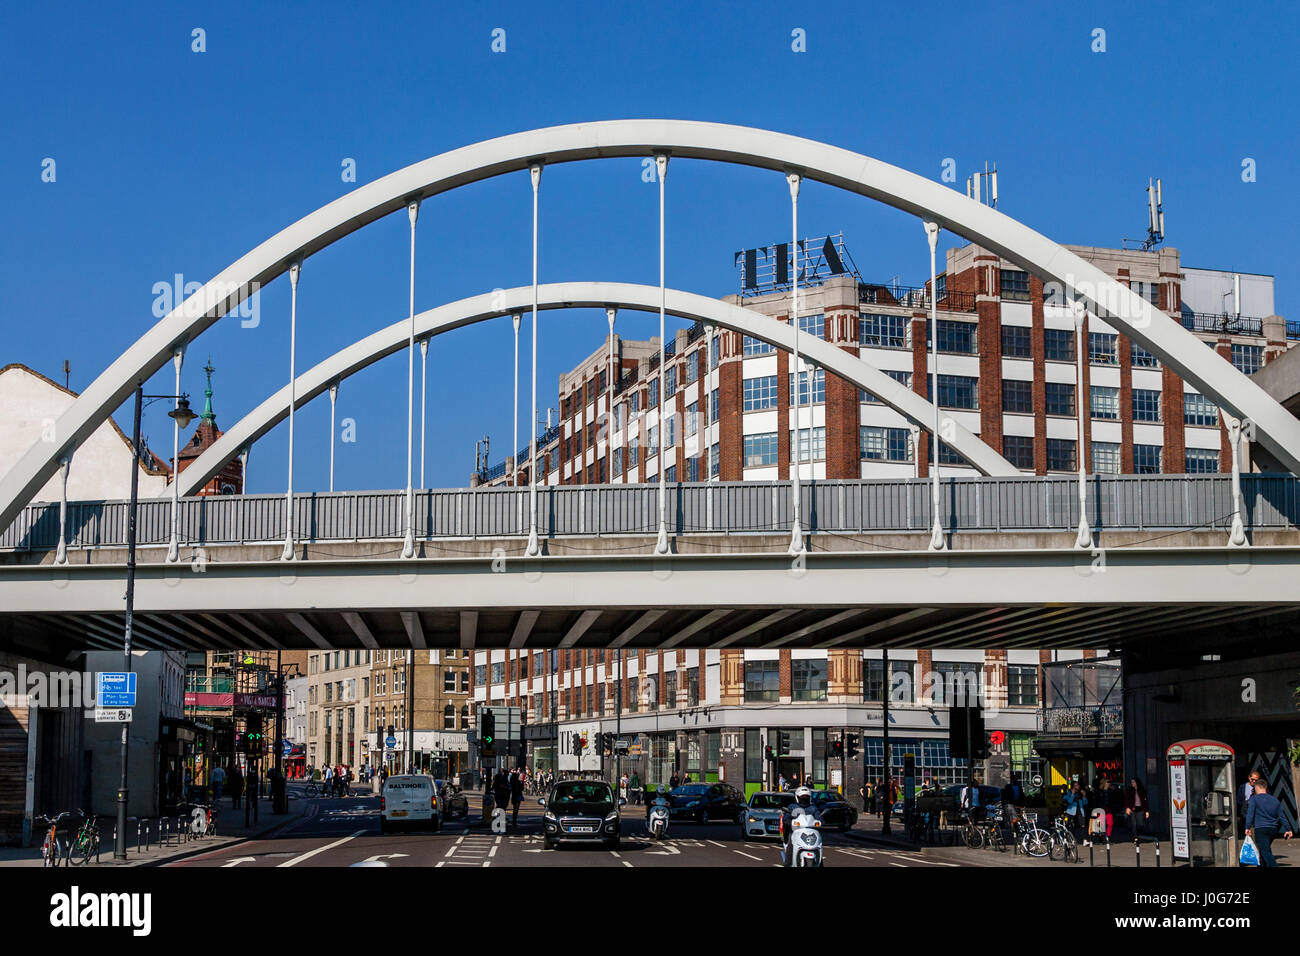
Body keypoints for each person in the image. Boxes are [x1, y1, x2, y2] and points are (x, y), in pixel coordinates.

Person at [1245, 779, 1293, 867]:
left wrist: (1247, 827)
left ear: (1256, 787)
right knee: (1265, 850)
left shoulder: (1254, 799)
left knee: (1265, 851)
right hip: (1273, 829)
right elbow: (1282, 816)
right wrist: (1288, 829)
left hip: (1261, 829)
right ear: (1265, 788)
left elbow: (1250, 814)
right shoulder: (1275, 800)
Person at [779, 786, 818, 865]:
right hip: (796, 831)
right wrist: (788, 821)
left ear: (810, 798)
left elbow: (819, 817)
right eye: (802, 797)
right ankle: (787, 864)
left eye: (806, 797)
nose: (804, 799)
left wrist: (820, 821)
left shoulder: (813, 808)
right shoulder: (792, 807)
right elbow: (786, 817)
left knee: (818, 845)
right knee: (791, 842)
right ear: (797, 797)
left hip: (811, 832)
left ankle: (819, 862)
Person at [1063, 780, 1088, 845]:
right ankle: (1072, 839)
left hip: (1080, 810)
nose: (1078, 786)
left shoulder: (1080, 792)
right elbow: (1069, 802)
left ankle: (1084, 840)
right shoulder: (1069, 792)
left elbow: (1085, 803)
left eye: (1078, 785)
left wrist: (1084, 796)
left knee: (1083, 825)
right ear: (1073, 786)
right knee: (1071, 826)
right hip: (1071, 811)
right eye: (1076, 785)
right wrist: (1072, 794)